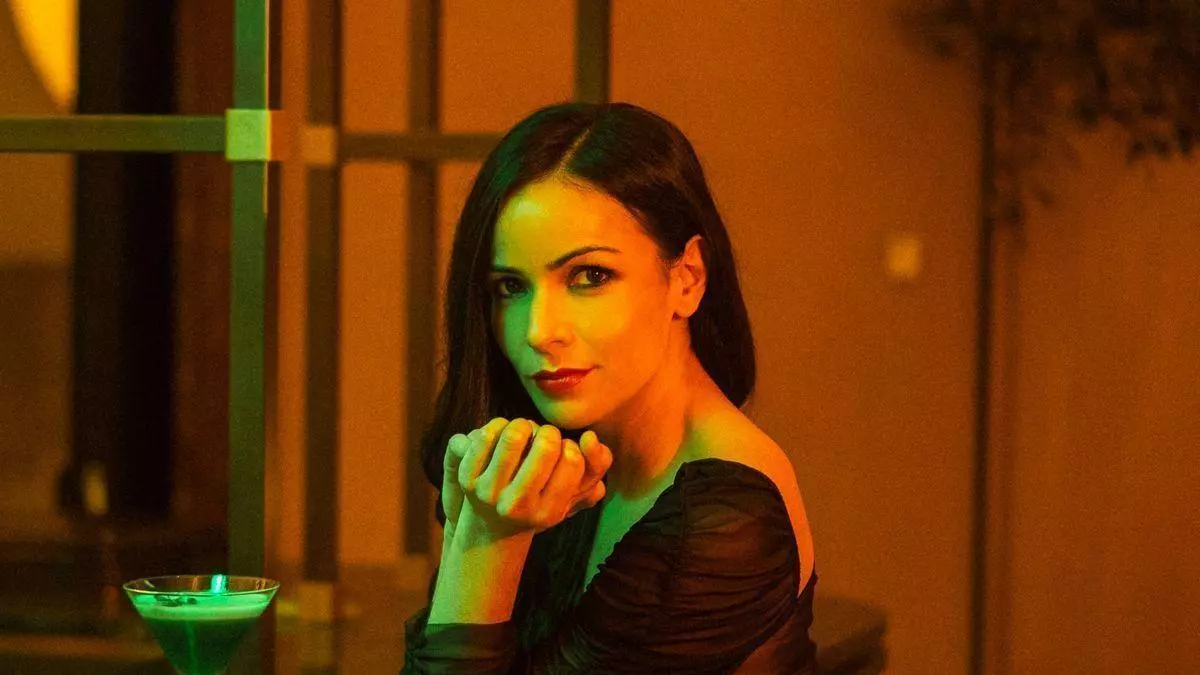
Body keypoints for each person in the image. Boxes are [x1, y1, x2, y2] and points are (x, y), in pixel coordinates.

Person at [402, 101, 817, 674]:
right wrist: (469, 535)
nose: (538, 331)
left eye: (589, 277)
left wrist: (482, 548)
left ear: (687, 279)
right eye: (510, 287)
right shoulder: (572, 459)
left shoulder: (720, 520)